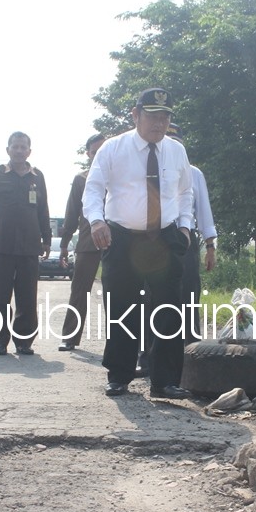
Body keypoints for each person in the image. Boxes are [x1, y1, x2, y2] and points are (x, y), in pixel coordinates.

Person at [83, 88, 194, 399]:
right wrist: (96, 221)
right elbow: (93, 189)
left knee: (169, 310)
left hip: (165, 238)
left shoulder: (176, 151)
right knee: (123, 308)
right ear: (135, 115)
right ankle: (119, 376)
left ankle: (164, 381)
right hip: (122, 238)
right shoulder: (113, 148)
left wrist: (185, 226)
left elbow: (186, 191)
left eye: (165, 117)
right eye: (153, 116)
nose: (159, 124)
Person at [135, 122, 218, 376]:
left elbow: (203, 210)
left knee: (188, 298)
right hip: (152, 241)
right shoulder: (146, 170)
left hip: (184, 241)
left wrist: (210, 245)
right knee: (149, 299)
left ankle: (192, 359)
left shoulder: (194, 173)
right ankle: (146, 358)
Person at [0, 132, 51, 356]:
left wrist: (46, 239)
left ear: (29, 151)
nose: (19, 150)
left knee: (27, 296)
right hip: (1, 244)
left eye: (23, 147)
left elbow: (43, 210)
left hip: (29, 246)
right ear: (8, 150)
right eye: (15, 147)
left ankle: (24, 341)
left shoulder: (37, 177)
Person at [57, 132, 107, 351]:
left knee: (117, 294)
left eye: (102, 150)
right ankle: (70, 337)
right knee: (79, 290)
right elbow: (71, 214)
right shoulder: (81, 179)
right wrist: (64, 244)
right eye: (94, 152)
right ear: (88, 154)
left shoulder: (119, 175)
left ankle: (120, 343)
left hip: (117, 242)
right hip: (88, 242)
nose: (98, 155)